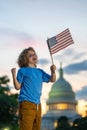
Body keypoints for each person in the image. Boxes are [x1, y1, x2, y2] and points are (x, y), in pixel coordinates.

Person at [11, 47, 56, 130]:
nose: (33, 56)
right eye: (30, 55)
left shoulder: (40, 71)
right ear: (25, 59)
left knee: (36, 127)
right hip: (26, 103)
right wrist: (13, 75)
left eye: (34, 54)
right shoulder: (22, 70)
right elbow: (17, 87)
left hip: (38, 104)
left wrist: (53, 71)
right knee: (26, 127)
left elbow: (52, 80)